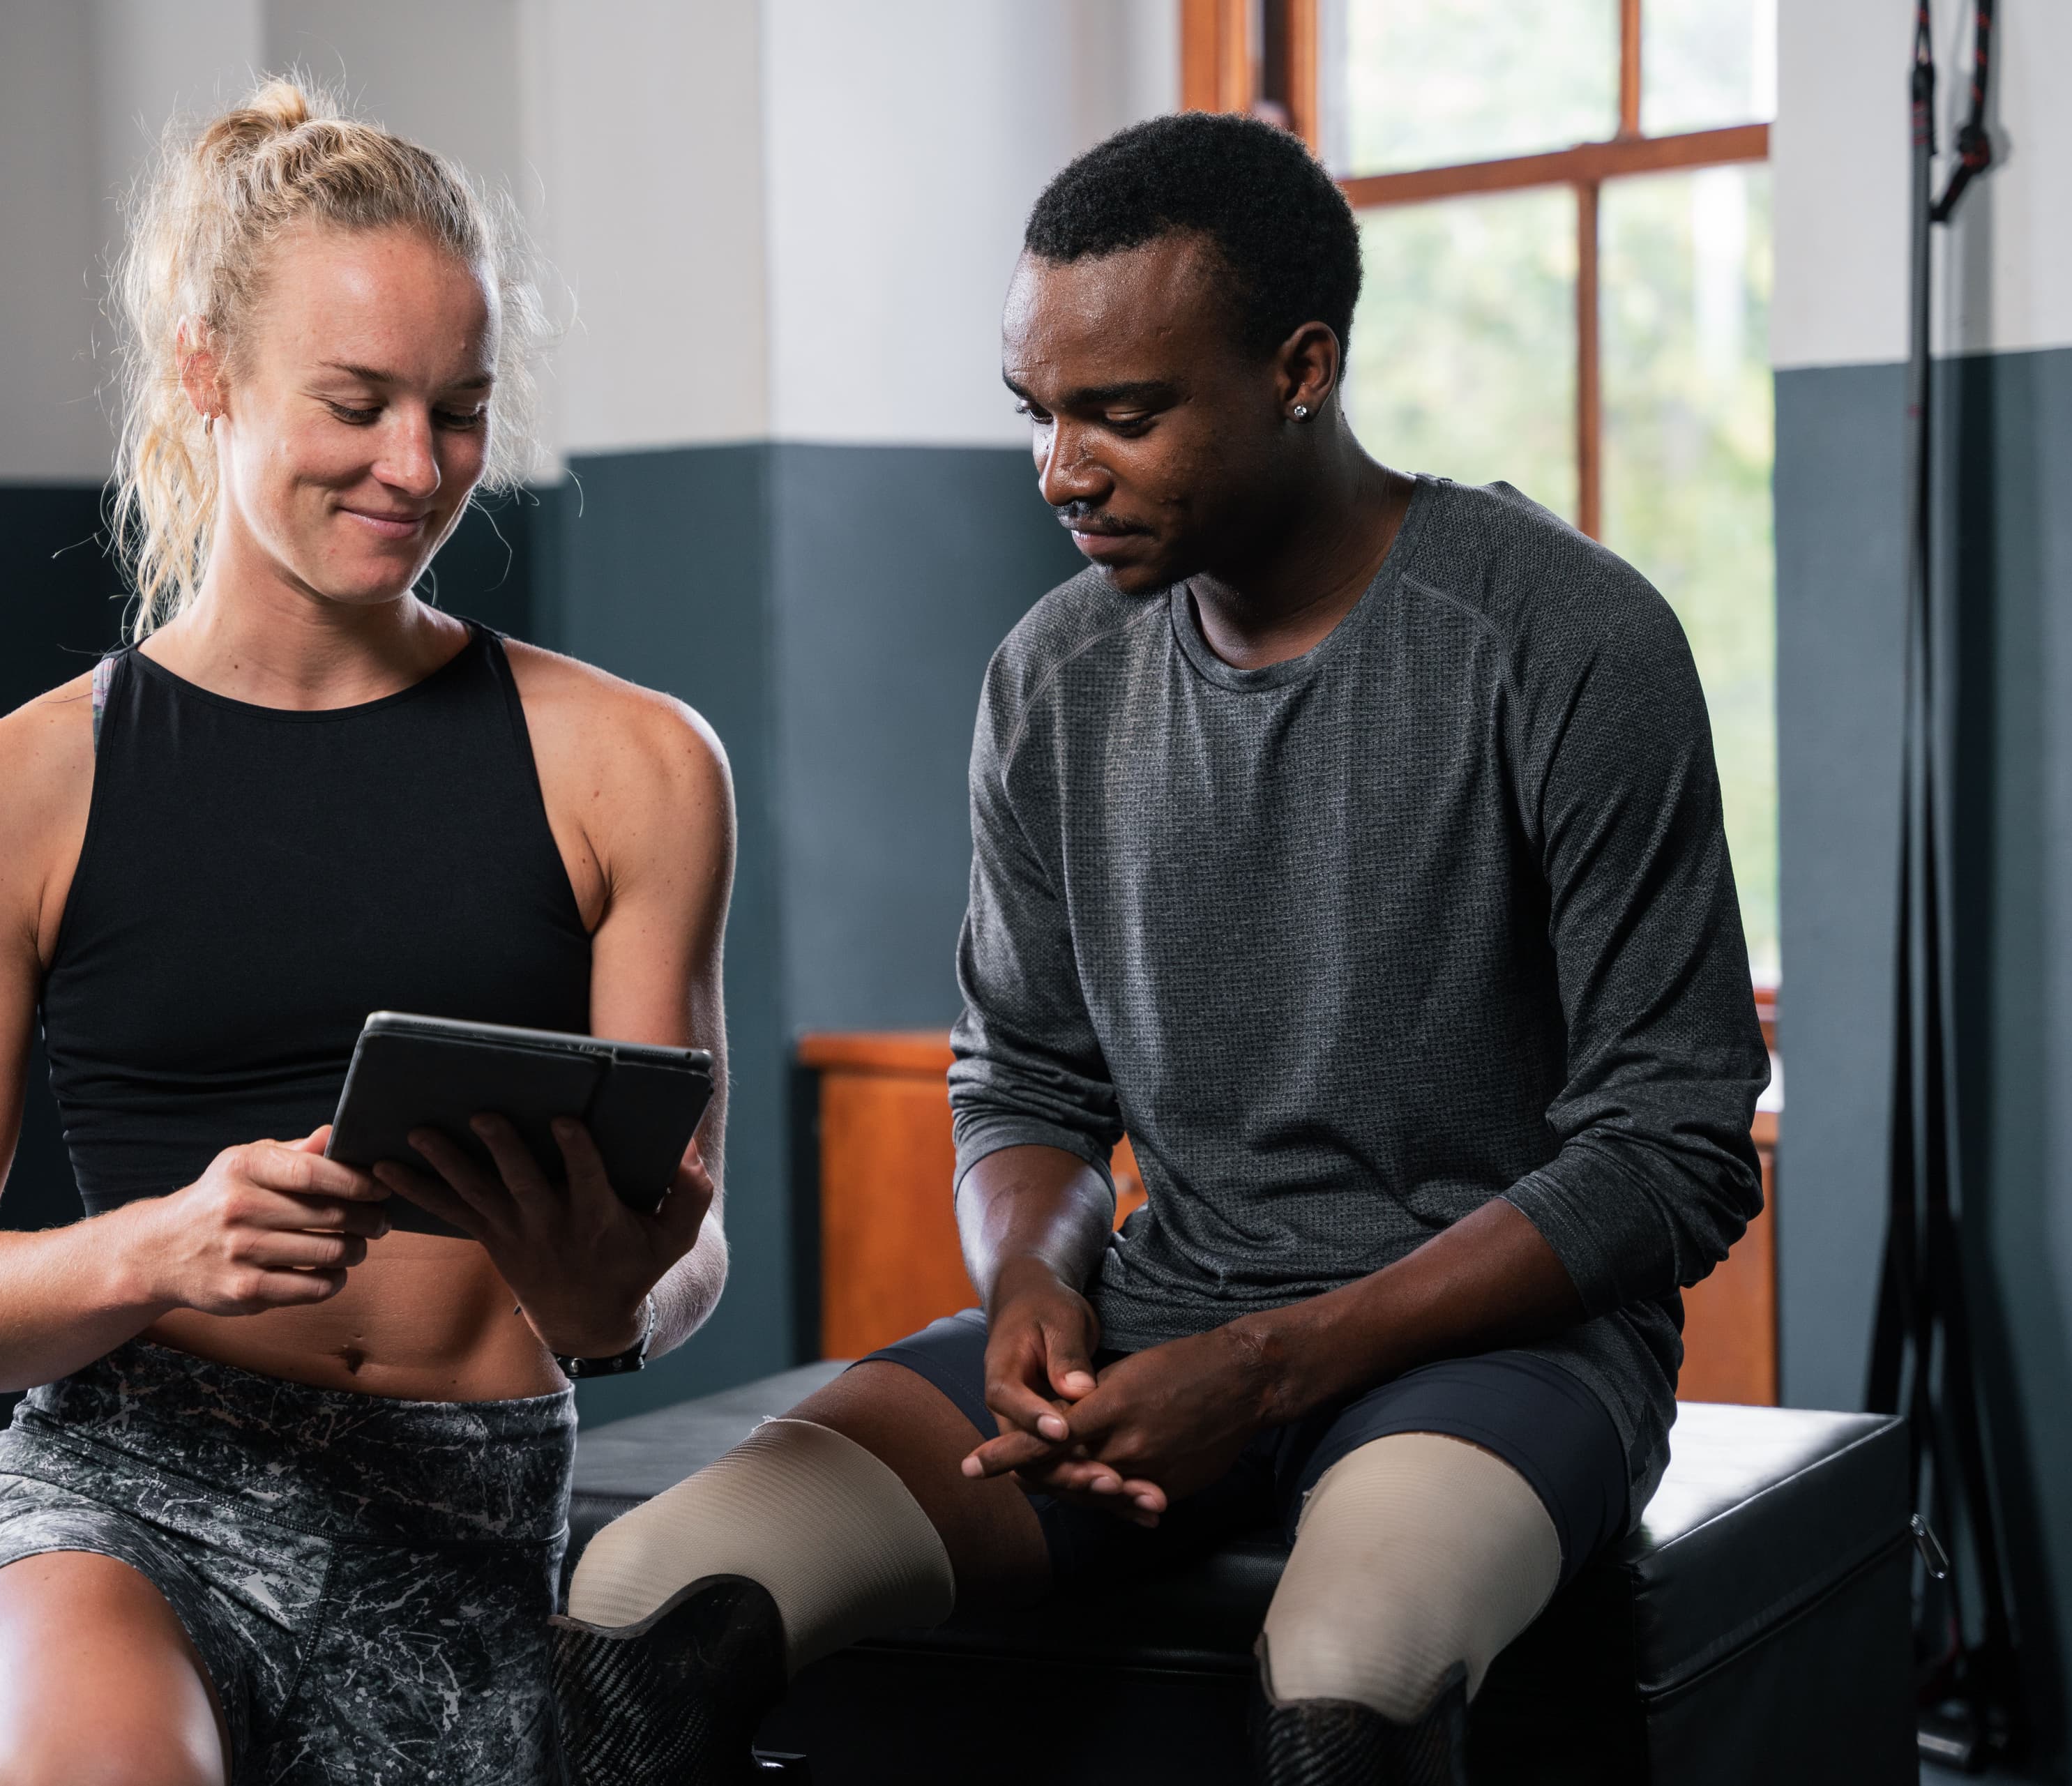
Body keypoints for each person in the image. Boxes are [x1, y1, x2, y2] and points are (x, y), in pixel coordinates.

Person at [549, 112, 1767, 1784]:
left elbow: (1673, 1145)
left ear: (1303, 368)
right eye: (1037, 414)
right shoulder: (1053, 676)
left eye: (1121, 414)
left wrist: (1271, 1366)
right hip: (1155, 1325)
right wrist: (1037, 1282)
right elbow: (1027, 1079)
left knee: (1352, 1664)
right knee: (642, 1598)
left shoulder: (1564, 636)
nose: (1061, 467)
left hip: (1493, 1355)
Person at [0, 80, 735, 1786]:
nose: (416, 466)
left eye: (459, 410)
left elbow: (687, 1250)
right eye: (358, 402)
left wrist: (610, 1299)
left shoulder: (639, 765)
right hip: (133, 1484)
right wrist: (155, 1252)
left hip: (466, 1517)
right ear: (207, 376)